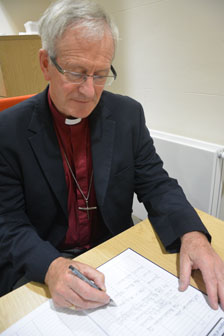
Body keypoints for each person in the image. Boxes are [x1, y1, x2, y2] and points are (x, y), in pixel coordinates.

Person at [0, 0, 223, 311]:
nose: (90, 92)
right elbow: (7, 223)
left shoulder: (127, 114)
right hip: (42, 261)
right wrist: (51, 267)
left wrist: (193, 233)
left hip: (114, 254)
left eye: (101, 74)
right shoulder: (7, 129)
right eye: (76, 73)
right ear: (45, 64)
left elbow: (156, 183)